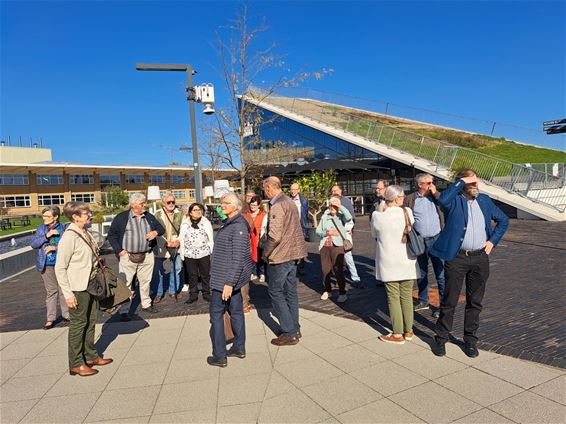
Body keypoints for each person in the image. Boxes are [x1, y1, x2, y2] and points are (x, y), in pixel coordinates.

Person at [430, 169, 509, 358]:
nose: (476, 185)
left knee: (475, 302)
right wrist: (462, 181)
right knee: (449, 300)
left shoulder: (484, 200)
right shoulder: (454, 200)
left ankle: (470, 340)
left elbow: (503, 220)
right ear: (462, 183)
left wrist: (492, 242)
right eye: (471, 182)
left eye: (476, 182)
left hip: (480, 257)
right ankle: (440, 338)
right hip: (457, 258)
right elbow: (442, 200)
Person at [55, 202, 113, 377]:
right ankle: (76, 363)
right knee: (78, 324)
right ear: (75, 216)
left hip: (91, 284)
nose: (90, 215)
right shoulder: (69, 237)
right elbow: (60, 267)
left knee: (90, 320)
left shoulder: (85, 232)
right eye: (86, 213)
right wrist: (68, 294)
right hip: (77, 288)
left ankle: (91, 356)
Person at [207, 193, 253, 367]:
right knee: (236, 312)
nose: (222, 206)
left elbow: (239, 257)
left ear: (235, 206)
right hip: (228, 278)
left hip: (225, 280)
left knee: (216, 315)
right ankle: (239, 347)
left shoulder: (238, 226)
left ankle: (220, 355)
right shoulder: (232, 223)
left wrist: (229, 283)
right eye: (221, 203)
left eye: (226, 203)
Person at [371, 186, 420, 344]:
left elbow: (374, 234)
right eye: (403, 196)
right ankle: (409, 331)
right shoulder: (407, 212)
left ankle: (397, 334)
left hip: (388, 261)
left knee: (393, 297)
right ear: (397, 198)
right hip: (407, 260)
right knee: (406, 296)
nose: (404, 198)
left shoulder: (378, 215)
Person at [262, 176, 308, 346]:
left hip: (281, 256)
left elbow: (274, 236)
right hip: (294, 254)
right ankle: (294, 328)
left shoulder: (278, 205)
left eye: (264, 188)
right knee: (290, 292)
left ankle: (289, 332)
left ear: (268, 188)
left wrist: (265, 254)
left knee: (275, 292)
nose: (264, 191)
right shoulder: (289, 201)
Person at [107, 193, 165, 318]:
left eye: (144, 202)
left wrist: (155, 232)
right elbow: (111, 235)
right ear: (133, 205)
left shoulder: (149, 217)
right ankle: (124, 310)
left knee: (145, 282)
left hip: (147, 255)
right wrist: (119, 251)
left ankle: (146, 304)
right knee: (126, 283)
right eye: (141, 203)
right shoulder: (122, 217)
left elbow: (161, 228)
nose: (144, 205)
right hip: (128, 256)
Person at [404, 173, 445, 317]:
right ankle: (423, 300)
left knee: (440, 273)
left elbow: (446, 204)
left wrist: (435, 193)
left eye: (432, 182)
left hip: (437, 239)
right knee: (421, 272)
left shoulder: (436, 197)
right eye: (428, 183)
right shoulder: (410, 199)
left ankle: (443, 305)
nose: (432, 185)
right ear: (420, 185)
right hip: (420, 240)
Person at [31, 206, 70, 329]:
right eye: (43, 216)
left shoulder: (64, 228)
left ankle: (66, 315)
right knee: (51, 291)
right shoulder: (41, 229)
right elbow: (34, 244)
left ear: (56, 217)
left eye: (47, 216)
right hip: (46, 264)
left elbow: (68, 246)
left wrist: (55, 248)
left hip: (61, 263)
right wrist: (46, 236)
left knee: (63, 290)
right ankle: (50, 318)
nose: (44, 218)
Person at [316, 196, 353, 303]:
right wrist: (327, 233)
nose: (332, 207)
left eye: (334, 205)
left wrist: (340, 206)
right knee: (325, 270)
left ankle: (342, 292)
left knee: (338, 270)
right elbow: (318, 231)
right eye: (330, 205)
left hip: (338, 246)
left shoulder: (341, 216)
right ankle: (327, 290)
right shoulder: (324, 216)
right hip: (325, 246)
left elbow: (349, 217)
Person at [180, 202, 213, 304]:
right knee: (192, 275)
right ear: (190, 212)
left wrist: (211, 251)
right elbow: (181, 238)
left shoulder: (206, 222)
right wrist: (182, 252)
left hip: (204, 252)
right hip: (189, 253)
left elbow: (210, 237)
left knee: (205, 274)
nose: (198, 212)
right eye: (195, 210)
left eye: (199, 210)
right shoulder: (185, 223)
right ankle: (193, 295)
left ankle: (206, 293)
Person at [153, 192, 183, 303]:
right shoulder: (157, 214)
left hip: (175, 245)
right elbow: (155, 231)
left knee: (177, 268)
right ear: (163, 202)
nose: (171, 204)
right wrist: (165, 243)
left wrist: (178, 241)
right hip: (161, 245)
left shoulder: (180, 213)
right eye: (168, 202)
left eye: (173, 202)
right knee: (159, 270)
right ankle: (159, 293)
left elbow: (183, 230)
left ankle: (172, 290)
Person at [331, 185, 361, 286]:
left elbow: (351, 217)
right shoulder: (331, 202)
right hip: (334, 235)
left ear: (340, 191)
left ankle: (355, 277)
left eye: (335, 190)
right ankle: (338, 278)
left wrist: (350, 229)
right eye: (332, 191)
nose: (333, 192)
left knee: (348, 256)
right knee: (335, 257)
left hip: (344, 234)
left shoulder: (346, 201)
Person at [246, 195, 268, 285]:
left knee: (260, 257)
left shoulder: (263, 214)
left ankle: (262, 273)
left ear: (259, 205)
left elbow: (264, 228)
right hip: (249, 239)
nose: (252, 207)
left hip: (259, 239)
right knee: (251, 257)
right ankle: (253, 272)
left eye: (255, 205)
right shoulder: (247, 214)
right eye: (251, 205)